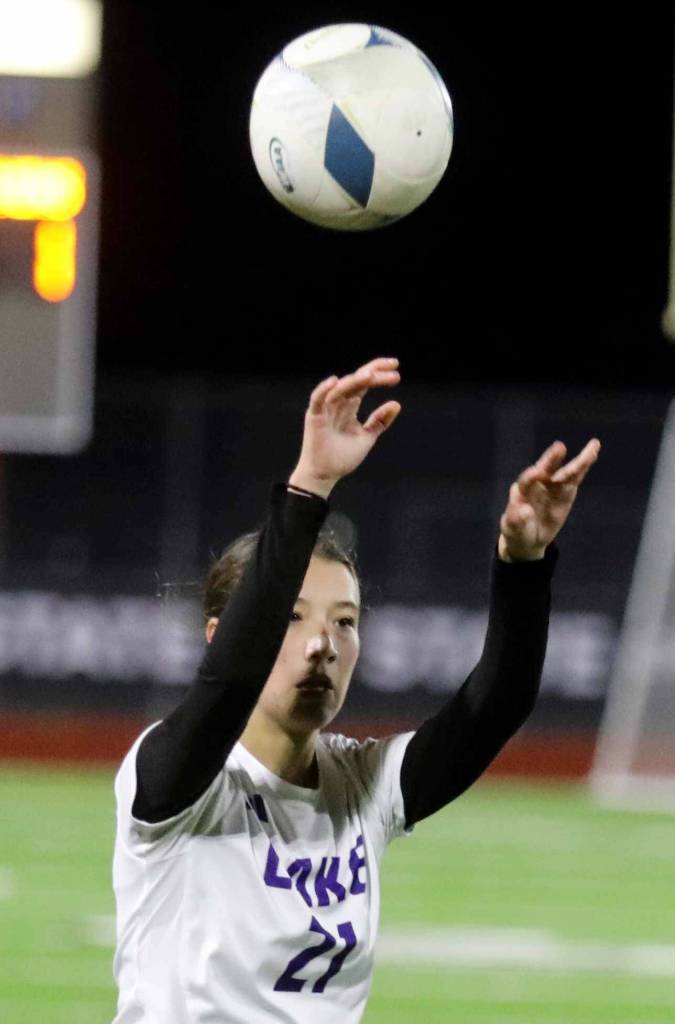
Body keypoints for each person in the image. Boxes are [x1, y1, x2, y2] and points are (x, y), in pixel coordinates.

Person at [111, 356, 600, 1023]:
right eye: (292, 619)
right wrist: (310, 484)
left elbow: (494, 706)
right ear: (223, 632)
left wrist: (523, 562)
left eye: (344, 622)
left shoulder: (362, 785)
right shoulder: (176, 782)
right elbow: (228, 685)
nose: (323, 644)